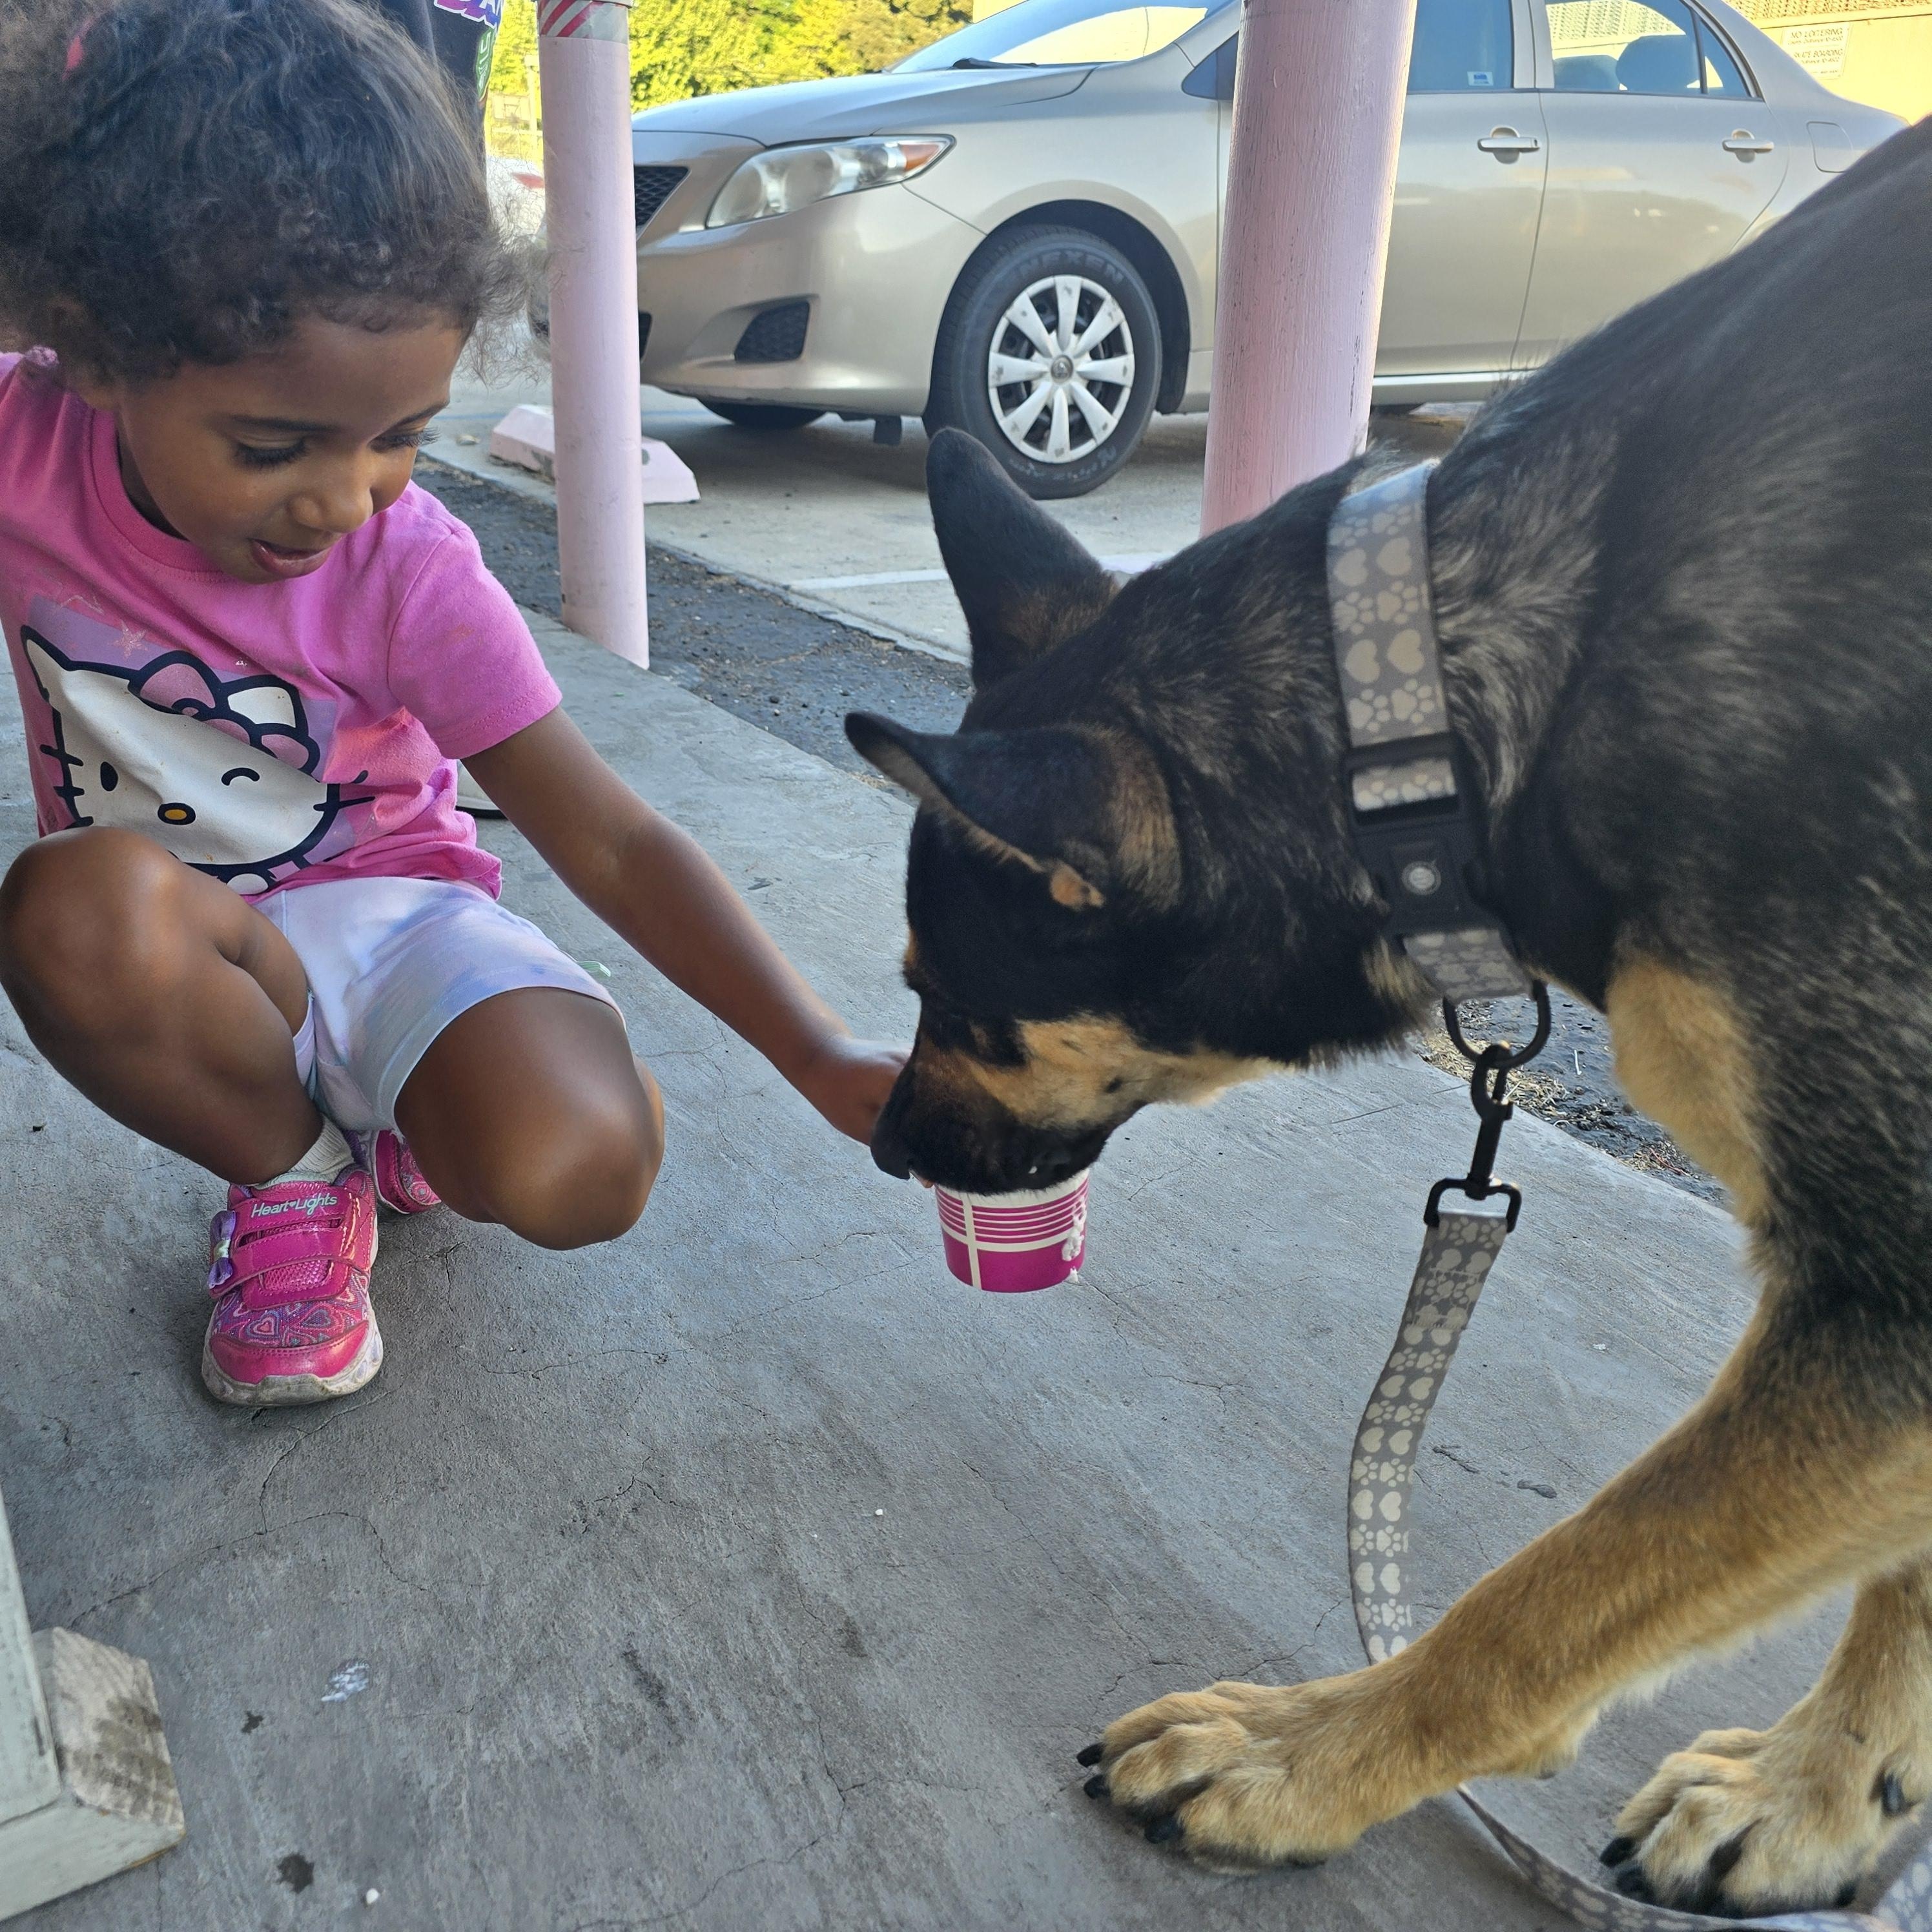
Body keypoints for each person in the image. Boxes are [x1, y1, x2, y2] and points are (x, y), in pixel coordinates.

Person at [0, 0, 905, 1406]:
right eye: (271, 443)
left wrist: (812, 1049)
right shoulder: (21, 459)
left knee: (579, 1163)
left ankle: (422, 1087)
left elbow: (605, 837)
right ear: (95, 351)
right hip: (183, 951)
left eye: (401, 436)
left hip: (397, 909)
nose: (341, 495)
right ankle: (295, 1176)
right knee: (69, 908)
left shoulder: (406, 564)